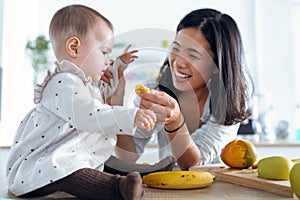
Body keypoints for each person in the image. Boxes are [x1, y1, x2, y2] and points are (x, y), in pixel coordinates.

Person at [6, 4, 175, 200]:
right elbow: (91, 114)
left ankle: (146, 172)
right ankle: (118, 187)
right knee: (73, 172)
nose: (107, 60)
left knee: (102, 156)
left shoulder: (80, 83)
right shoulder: (62, 82)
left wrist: (117, 68)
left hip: (70, 154)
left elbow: (100, 98)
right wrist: (131, 115)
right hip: (44, 167)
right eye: (104, 52)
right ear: (74, 47)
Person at [116, 8, 254, 170]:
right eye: (176, 49)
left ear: (217, 65)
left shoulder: (230, 101)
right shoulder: (154, 91)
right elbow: (128, 154)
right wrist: (115, 102)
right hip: (168, 188)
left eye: (193, 55)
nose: (178, 62)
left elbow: (193, 164)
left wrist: (175, 121)